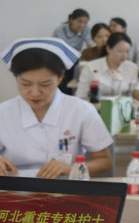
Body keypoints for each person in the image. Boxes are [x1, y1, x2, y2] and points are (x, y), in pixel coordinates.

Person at [0, 38, 113, 178]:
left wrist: (69, 169)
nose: (35, 93)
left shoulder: (82, 111)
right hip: (12, 187)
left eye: (45, 84)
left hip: (64, 186)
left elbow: (104, 162)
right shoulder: (3, 113)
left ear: (60, 78)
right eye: (25, 83)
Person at [75, 33, 138, 99]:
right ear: (108, 49)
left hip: (122, 104)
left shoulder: (132, 68)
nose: (124, 55)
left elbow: (132, 95)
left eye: (127, 52)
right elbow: (81, 95)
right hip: (95, 104)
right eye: (120, 51)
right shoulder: (91, 67)